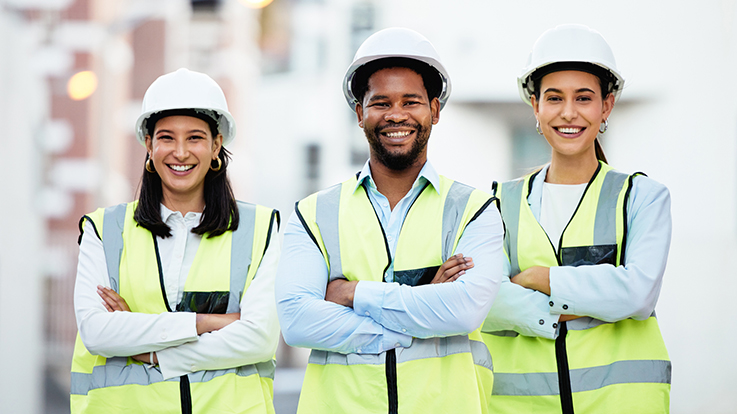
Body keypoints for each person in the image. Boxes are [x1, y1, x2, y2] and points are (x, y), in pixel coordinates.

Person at [275, 27, 504, 414]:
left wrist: (352, 294)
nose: (396, 115)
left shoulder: (475, 209)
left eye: (410, 101)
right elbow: (297, 321)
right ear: (360, 113)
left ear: (434, 109)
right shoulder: (312, 214)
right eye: (381, 102)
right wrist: (425, 307)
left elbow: (464, 309)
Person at [481, 24, 672, 413]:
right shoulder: (499, 203)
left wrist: (539, 279)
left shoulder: (641, 197)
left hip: (622, 404)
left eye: (583, 98)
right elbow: (487, 300)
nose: (569, 113)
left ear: (607, 106)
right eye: (554, 98)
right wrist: (597, 298)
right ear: (535, 106)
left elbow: (638, 293)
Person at [71, 68, 281, 413]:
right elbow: (97, 332)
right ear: (148, 144)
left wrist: (147, 348)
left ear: (216, 145)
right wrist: (207, 322)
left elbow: (258, 339)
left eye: (195, 138)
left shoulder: (259, 229)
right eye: (167, 137)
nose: (180, 152)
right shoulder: (104, 230)